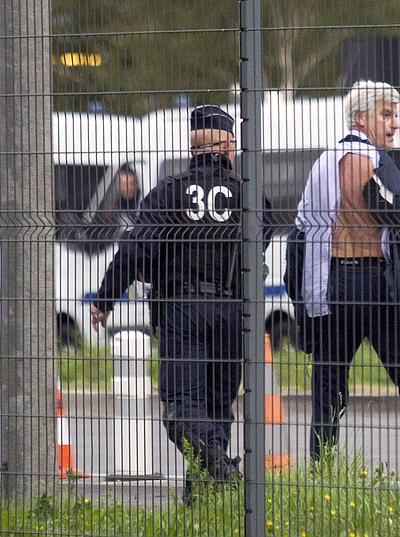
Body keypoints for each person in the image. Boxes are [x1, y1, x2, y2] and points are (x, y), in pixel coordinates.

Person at [285, 80, 400, 476]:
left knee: (327, 386)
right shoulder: (372, 162)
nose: (394, 124)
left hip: (331, 289)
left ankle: (320, 470)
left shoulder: (322, 164)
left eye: (395, 115)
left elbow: (299, 233)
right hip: (377, 286)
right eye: (386, 115)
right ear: (360, 117)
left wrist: (300, 295)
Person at [90, 105, 247, 502]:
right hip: (232, 311)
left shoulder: (169, 191)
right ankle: (205, 496)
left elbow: (135, 249)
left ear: (192, 148)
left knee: (181, 407)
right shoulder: (248, 191)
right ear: (227, 143)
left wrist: (106, 297)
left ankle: (216, 473)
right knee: (216, 408)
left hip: (182, 308)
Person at [90, 165, 141, 240]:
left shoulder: (142, 201)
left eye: (132, 183)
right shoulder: (114, 204)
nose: (129, 188)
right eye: (124, 185)